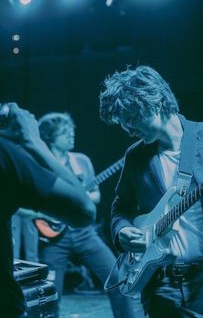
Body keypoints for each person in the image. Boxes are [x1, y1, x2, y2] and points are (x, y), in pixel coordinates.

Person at [99, 65, 203, 318]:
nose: (128, 129)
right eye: (123, 123)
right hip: (161, 284)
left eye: (131, 118)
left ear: (155, 103)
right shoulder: (136, 156)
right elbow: (122, 207)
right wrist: (122, 231)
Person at [38, 112, 142, 318]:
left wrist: (81, 197)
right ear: (50, 136)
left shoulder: (81, 161)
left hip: (84, 233)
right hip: (53, 238)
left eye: (72, 130)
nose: (71, 135)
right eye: (64, 132)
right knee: (49, 293)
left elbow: (95, 195)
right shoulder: (40, 163)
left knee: (118, 278)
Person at [0, 103, 96, 318]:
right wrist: (33, 141)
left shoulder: (81, 161)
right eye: (65, 132)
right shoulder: (8, 154)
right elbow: (84, 211)